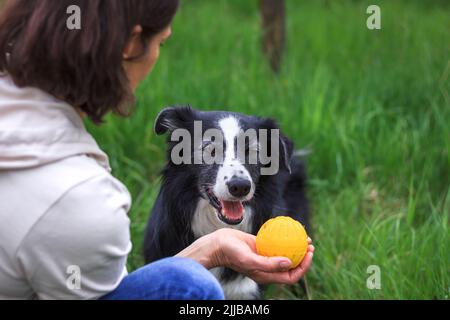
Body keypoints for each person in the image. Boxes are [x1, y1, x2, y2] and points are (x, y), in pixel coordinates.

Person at [0, 0, 314, 300]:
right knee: (193, 287)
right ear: (132, 44)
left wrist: (214, 247)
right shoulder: (83, 201)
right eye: (161, 43)